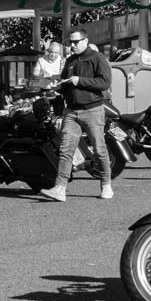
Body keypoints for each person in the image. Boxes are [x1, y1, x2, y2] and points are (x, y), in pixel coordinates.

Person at [38, 29, 113, 202]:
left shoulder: (97, 58)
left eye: (76, 42)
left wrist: (80, 81)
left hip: (93, 110)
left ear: (85, 40)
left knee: (99, 149)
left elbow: (105, 82)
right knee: (65, 149)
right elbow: (65, 83)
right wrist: (56, 86)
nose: (72, 46)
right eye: (70, 42)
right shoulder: (70, 60)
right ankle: (60, 188)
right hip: (71, 111)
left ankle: (106, 184)